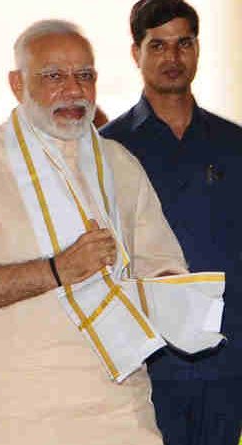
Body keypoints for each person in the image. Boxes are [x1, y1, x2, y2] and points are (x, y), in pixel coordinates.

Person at [0, 19, 191, 444]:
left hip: (119, 410)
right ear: (16, 83)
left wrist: (177, 298)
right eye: (53, 76)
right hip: (9, 414)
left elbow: (163, 270)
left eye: (85, 76)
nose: (74, 91)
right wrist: (56, 271)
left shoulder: (119, 163)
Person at [101, 1, 242, 443]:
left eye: (184, 43)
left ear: (197, 48)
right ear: (135, 53)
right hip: (145, 366)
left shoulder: (233, 143)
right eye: (157, 45)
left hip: (227, 361)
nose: (172, 58)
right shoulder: (107, 150)